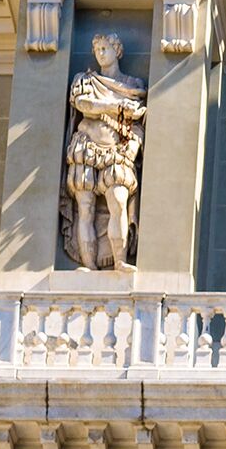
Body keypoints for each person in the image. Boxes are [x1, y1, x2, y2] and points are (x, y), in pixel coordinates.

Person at [64, 33, 147, 271]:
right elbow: (84, 105)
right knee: (85, 208)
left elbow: (139, 118)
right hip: (86, 148)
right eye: (97, 49)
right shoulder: (86, 81)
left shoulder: (132, 86)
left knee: (119, 203)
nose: (100, 53)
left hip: (118, 150)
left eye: (105, 48)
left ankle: (120, 261)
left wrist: (133, 146)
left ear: (117, 51)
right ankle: (88, 265)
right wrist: (116, 107)